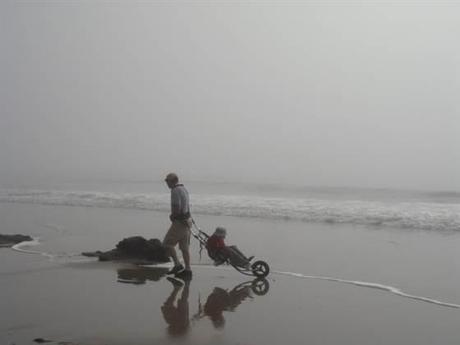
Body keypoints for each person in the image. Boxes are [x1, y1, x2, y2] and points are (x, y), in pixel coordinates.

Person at [163, 173, 192, 280]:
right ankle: (188, 270)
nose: (166, 183)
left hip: (180, 222)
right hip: (188, 220)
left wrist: (172, 216)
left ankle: (177, 264)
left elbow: (176, 207)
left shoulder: (175, 190)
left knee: (167, 244)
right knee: (185, 248)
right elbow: (187, 206)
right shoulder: (183, 188)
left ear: (173, 181)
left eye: (167, 181)